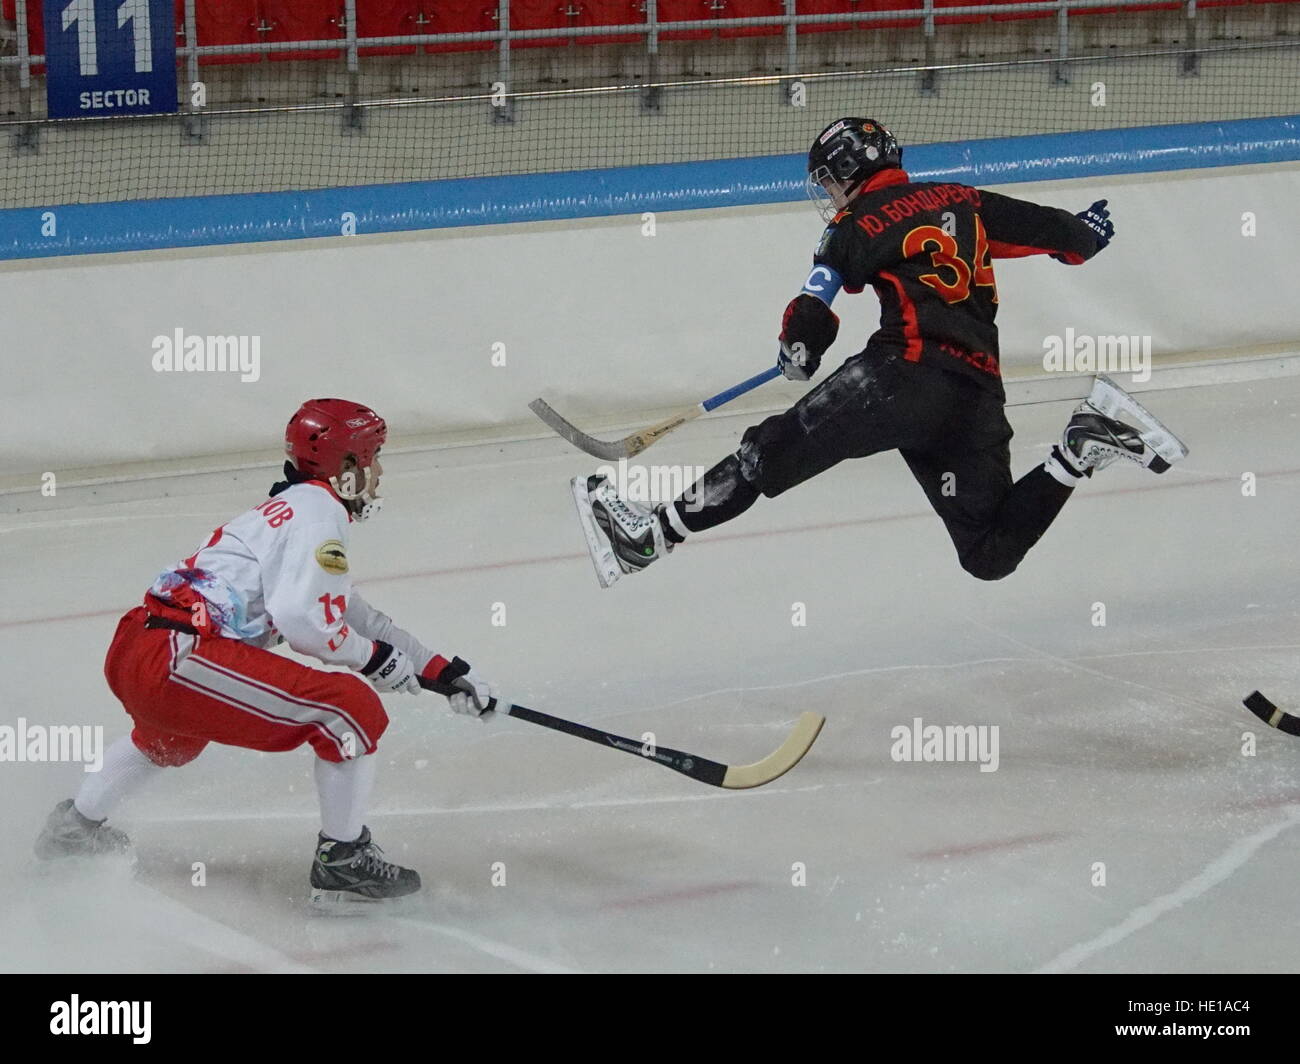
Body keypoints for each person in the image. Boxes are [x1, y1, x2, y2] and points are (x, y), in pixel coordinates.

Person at [572, 117, 1186, 588]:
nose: (829, 193)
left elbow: (816, 302)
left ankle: (648, 537)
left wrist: (799, 348)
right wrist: (1088, 231)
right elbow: (1066, 238)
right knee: (988, 551)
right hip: (974, 391)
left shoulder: (854, 224)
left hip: (901, 377)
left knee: (767, 454)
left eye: (829, 179)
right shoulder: (963, 199)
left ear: (847, 172)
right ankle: (1080, 447)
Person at [34, 398, 497, 906]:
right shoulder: (320, 512)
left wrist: (443, 671)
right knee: (348, 709)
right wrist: (376, 662)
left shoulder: (291, 509)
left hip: (141, 647)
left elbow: (356, 615)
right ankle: (342, 861)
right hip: (179, 654)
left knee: (169, 741)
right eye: (372, 458)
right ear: (346, 466)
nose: (379, 472)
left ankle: (74, 829)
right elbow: (306, 624)